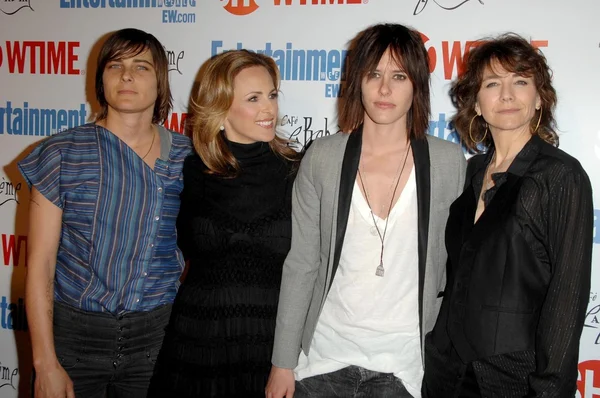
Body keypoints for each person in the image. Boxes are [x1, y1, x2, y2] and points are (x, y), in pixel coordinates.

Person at [265, 23, 467, 398]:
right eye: (373, 74)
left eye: (399, 75)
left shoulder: (447, 162)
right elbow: (302, 262)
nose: (385, 89)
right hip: (323, 359)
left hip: (407, 367)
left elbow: (456, 269)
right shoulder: (323, 157)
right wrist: (282, 361)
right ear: (357, 81)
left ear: (417, 85)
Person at [19, 28, 191, 398]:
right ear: (101, 79)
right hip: (74, 341)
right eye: (116, 65)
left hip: (157, 343)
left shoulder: (188, 158)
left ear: (160, 82)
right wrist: (45, 363)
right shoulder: (61, 153)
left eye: (141, 66)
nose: (127, 75)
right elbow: (41, 264)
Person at [422, 34, 593, 397]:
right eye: (492, 83)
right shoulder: (469, 172)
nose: (507, 94)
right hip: (446, 375)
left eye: (520, 81)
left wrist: (549, 390)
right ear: (477, 104)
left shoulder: (560, 176)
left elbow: (567, 298)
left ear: (539, 99)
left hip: (515, 380)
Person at [148, 50, 300, 398]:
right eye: (253, 98)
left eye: (272, 95)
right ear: (219, 110)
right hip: (200, 342)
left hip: (272, 348)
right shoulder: (188, 172)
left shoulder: (299, 171)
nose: (269, 109)